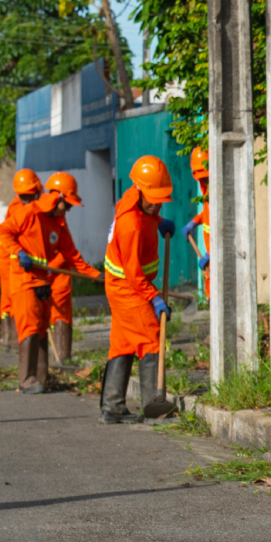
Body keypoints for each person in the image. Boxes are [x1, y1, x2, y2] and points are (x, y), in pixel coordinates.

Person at [100, 156, 176, 423]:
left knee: (122, 345)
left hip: (123, 287)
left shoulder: (138, 205)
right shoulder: (129, 224)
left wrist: (158, 222)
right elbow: (133, 273)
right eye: (153, 199)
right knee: (151, 339)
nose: (156, 204)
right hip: (129, 288)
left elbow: (147, 215)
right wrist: (154, 297)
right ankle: (154, 408)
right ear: (141, 190)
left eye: (160, 200)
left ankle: (112, 408)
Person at [0, 182, 65, 394]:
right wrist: (19, 252)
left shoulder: (52, 219)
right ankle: (26, 379)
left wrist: (94, 273)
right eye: (22, 196)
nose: (26, 200)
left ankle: (40, 377)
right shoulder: (23, 213)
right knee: (29, 327)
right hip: (23, 278)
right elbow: (2, 232)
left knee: (41, 327)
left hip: (42, 280)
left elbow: (62, 249)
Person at [32, 173, 103, 366]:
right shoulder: (32, 216)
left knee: (61, 312)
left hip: (56, 273)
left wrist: (96, 275)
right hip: (30, 277)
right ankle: (34, 371)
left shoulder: (60, 224)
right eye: (68, 205)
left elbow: (72, 255)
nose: (69, 210)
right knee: (34, 320)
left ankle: (61, 361)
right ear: (58, 198)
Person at [0, 170, 43, 347]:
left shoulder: (39, 205)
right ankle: (10, 338)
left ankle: (18, 339)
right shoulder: (17, 208)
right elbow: (6, 234)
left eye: (29, 195)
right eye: (22, 196)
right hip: (8, 256)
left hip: (21, 258)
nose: (26, 200)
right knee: (10, 298)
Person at [185, 145, 210, 299]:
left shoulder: (218, 187)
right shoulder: (206, 188)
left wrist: (211, 255)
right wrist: (194, 222)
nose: (204, 180)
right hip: (211, 257)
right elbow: (207, 213)